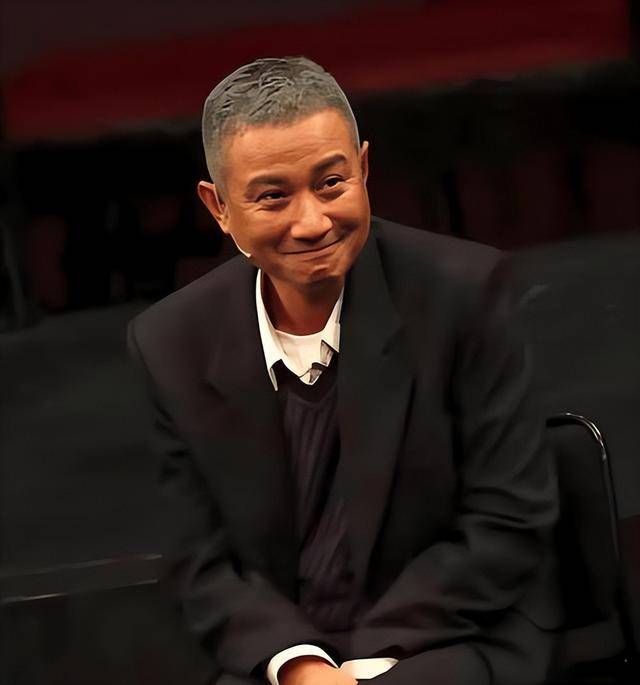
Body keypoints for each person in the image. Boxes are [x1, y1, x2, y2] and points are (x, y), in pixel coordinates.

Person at [127, 57, 560, 685]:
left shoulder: (465, 294)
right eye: (273, 197)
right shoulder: (170, 343)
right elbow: (199, 561)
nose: (312, 223)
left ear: (363, 168)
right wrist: (300, 664)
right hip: (286, 656)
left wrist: (363, 666)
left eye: (331, 183)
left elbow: (508, 521)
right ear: (218, 206)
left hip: (449, 633)